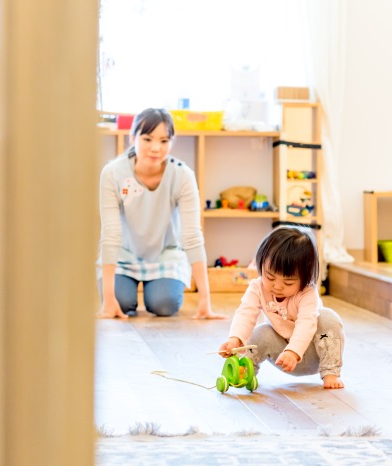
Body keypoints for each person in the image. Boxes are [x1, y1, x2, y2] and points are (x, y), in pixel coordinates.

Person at [97, 107, 224, 320]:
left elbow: (192, 235)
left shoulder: (182, 175)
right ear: (132, 137)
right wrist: (108, 300)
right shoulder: (112, 173)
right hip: (124, 254)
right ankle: (117, 293)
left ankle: (158, 290)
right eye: (147, 139)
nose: (156, 148)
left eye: (164, 141)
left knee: (163, 305)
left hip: (166, 255)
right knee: (121, 302)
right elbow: (110, 233)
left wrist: (205, 300)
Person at [218, 226, 345, 389]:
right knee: (261, 333)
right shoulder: (257, 287)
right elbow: (246, 313)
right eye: (270, 277)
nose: (277, 286)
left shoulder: (307, 293)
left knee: (328, 317)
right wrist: (235, 339)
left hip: (315, 353)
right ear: (260, 264)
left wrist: (294, 351)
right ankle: (245, 372)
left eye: (288, 282)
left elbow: (307, 324)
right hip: (282, 356)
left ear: (305, 278)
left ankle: (331, 372)